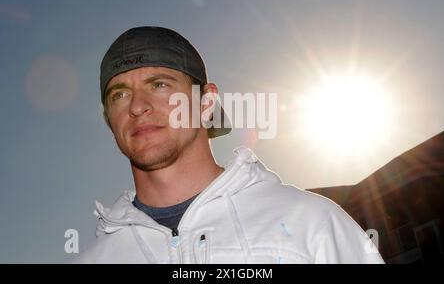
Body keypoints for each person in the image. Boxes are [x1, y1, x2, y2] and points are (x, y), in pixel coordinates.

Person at [75, 26, 384, 264]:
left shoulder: (310, 222)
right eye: (119, 94)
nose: (138, 106)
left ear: (207, 102)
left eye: (159, 85)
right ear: (109, 120)